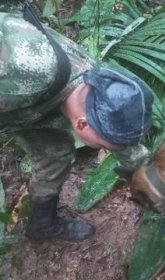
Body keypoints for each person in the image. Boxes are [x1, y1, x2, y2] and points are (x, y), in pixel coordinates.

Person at [0, 7, 153, 242]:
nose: (110, 149)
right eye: (105, 146)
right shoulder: (24, 72)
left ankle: (42, 224)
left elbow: (121, 141)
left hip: (32, 106)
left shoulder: (97, 83)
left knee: (55, 154)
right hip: (16, 95)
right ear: (81, 124)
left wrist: (158, 182)